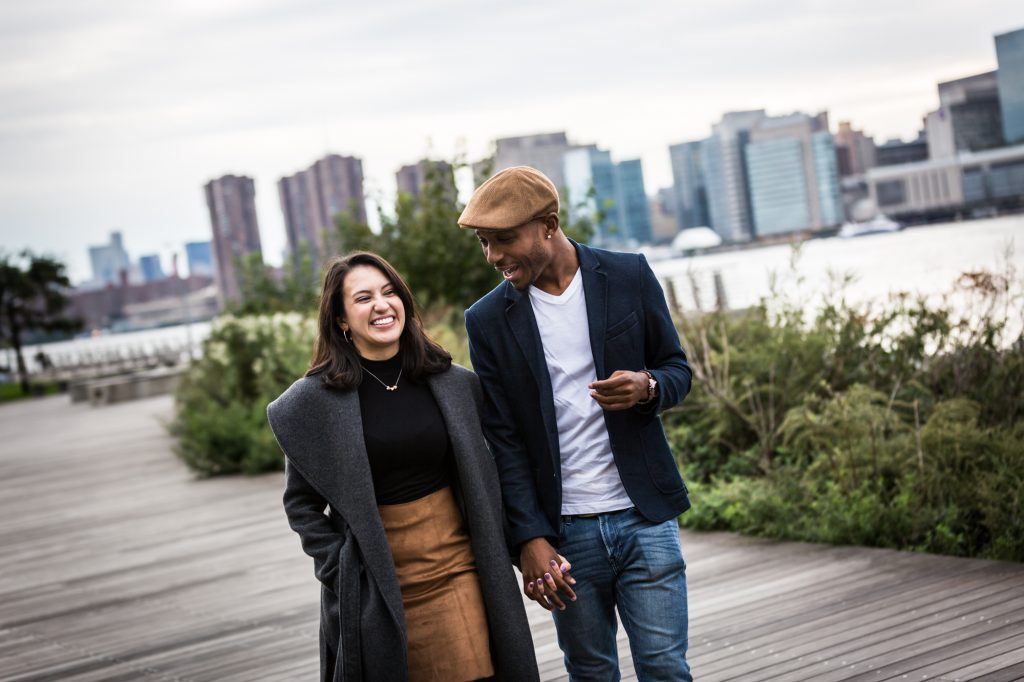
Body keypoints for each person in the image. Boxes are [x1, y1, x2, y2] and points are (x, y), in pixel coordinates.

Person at [461, 166, 694, 681]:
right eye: (484, 243)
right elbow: (503, 440)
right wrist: (529, 538)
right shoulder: (486, 320)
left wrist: (647, 386)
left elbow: (677, 369)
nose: (494, 256)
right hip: (565, 535)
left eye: (504, 239)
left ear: (549, 224)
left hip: (645, 517)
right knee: (589, 672)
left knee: (665, 668)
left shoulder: (629, 274)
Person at [267, 252, 539, 682]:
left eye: (389, 292)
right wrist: (342, 570)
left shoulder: (454, 383)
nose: (381, 305)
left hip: (458, 569)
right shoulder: (313, 404)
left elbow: (497, 467)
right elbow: (301, 505)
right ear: (340, 319)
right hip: (374, 582)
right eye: (363, 298)